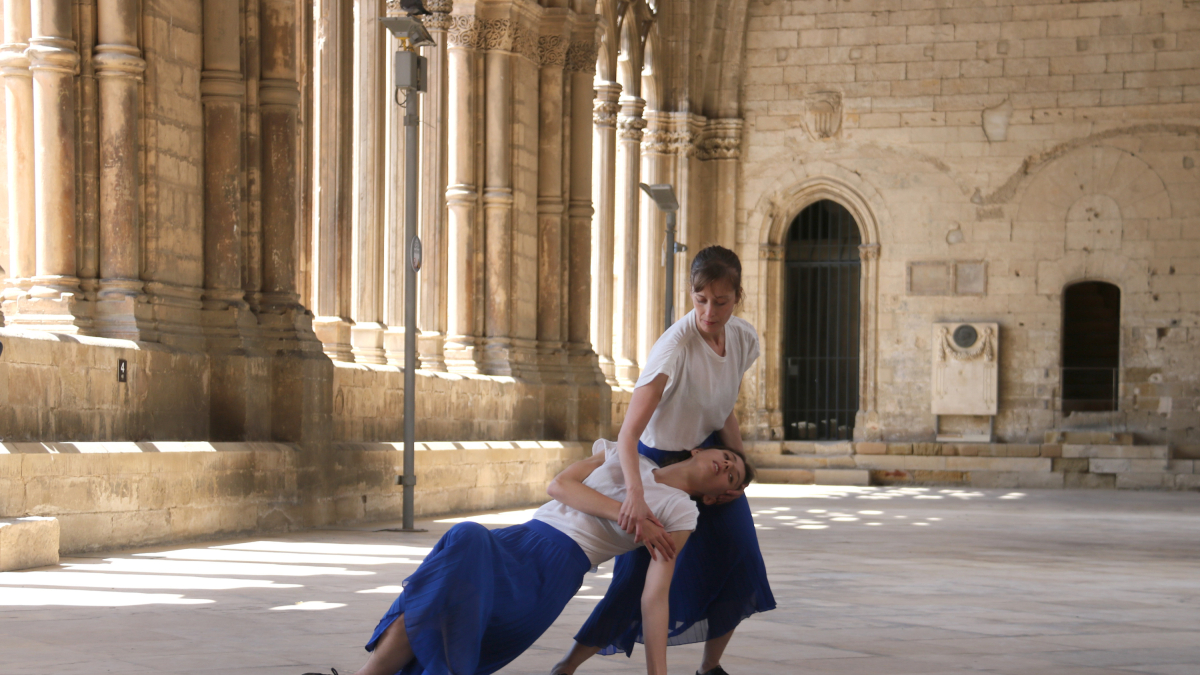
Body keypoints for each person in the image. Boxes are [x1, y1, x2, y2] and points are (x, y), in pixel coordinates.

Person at [302, 438, 752, 675]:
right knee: (463, 544)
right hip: (516, 541)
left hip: (555, 570)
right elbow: (558, 487)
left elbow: (655, 597)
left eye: (732, 476)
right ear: (701, 449)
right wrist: (630, 513)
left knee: (462, 546)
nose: (726, 465)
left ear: (718, 499)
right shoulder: (622, 453)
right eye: (727, 456)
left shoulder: (681, 513)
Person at [551, 245, 775, 675]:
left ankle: (709, 668)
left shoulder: (744, 340)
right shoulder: (673, 348)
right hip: (655, 464)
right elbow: (628, 433)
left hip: (708, 457)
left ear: (737, 296)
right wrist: (634, 496)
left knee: (742, 558)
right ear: (692, 293)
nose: (709, 311)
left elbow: (722, 406)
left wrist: (739, 471)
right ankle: (566, 666)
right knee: (634, 581)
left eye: (721, 301)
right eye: (700, 299)